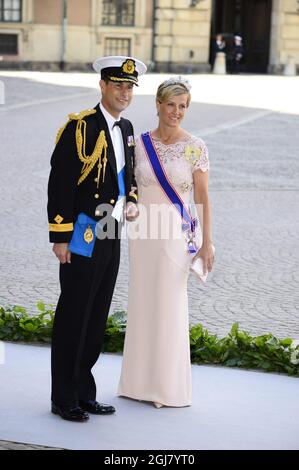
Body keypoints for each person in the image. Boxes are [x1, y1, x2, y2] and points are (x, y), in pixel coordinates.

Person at [47, 55, 147, 422]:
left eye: (129, 87)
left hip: (111, 226)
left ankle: (85, 391)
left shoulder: (127, 127)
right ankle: (64, 397)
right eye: (118, 85)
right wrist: (60, 235)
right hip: (83, 229)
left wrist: (132, 201)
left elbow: (131, 175)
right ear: (102, 85)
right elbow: (59, 185)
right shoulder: (81, 128)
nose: (124, 92)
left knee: (97, 311)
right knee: (75, 310)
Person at [117, 76, 214, 408]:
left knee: (170, 306)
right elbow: (128, 186)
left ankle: (166, 389)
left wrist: (207, 243)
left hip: (175, 236)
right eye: (170, 105)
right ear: (157, 104)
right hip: (143, 235)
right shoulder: (138, 143)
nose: (176, 112)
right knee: (143, 304)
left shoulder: (195, 146)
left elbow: (202, 198)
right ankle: (137, 384)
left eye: (183, 106)